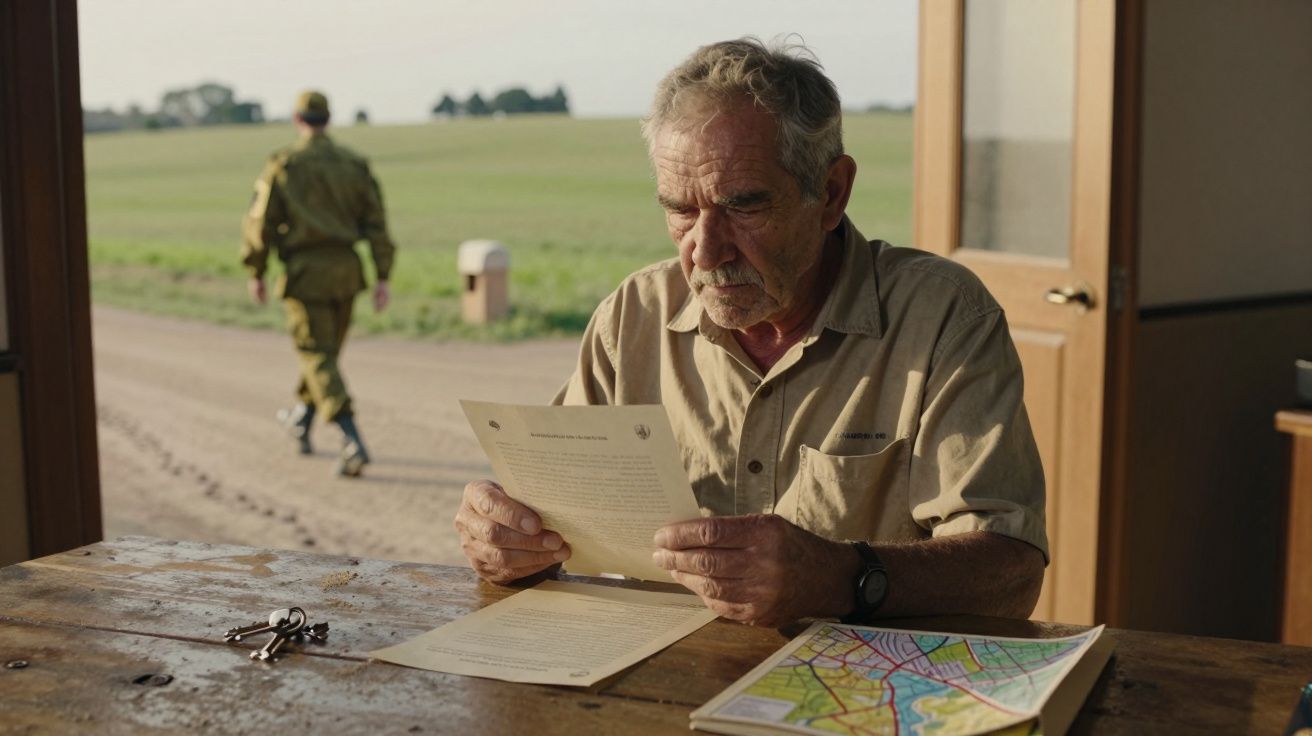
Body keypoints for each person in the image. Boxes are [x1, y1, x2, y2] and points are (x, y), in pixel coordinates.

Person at [454, 39, 1047, 626]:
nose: (705, 252)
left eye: (743, 207)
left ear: (832, 193)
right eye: (681, 211)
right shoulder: (632, 318)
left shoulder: (942, 317)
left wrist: (841, 577)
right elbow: (555, 528)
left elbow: (1010, 574)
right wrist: (508, 544)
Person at [240, 90, 397, 477]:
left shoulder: (284, 164)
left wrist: (256, 270)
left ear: (298, 119)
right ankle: (300, 420)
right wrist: (382, 275)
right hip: (347, 272)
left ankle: (351, 440)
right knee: (323, 355)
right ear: (327, 118)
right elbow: (377, 224)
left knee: (316, 355)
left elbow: (259, 225)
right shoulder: (354, 164)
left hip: (306, 274)